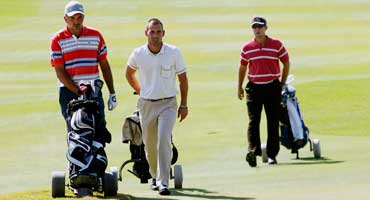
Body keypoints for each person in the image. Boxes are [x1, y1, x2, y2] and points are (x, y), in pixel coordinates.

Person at [125, 18, 188, 195]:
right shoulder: (138, 53)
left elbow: (183, 79)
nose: (155, 35)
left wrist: (183, 104)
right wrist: (140, 90)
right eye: (151, 32)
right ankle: (154, 175)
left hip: (168, 103)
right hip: (146, 104)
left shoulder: (174, 52)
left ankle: (163, 182)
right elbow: (128, 73)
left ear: (163, 33)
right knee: (150, 145)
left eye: (158, 32)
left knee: (163, 139)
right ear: (146, 33)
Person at [50, 1, 117, 144]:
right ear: (65, 19)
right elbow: (60, 71)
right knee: (74, 129)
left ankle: (97, 163)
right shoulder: (57, 39)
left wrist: (112, 92)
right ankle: (75, 165)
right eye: (72, 18)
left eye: (79, 17)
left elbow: (104, 65)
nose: (76, 22)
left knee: (99, 129)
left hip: (93, 89)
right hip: (68, 92)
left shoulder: (96, 35)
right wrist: (78, 91)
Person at [238, 16, 290, 167]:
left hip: (272, 87)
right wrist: (239, 86)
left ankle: (272, 155)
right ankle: (253, 152)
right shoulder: (247, 48)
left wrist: (282, 82)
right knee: (254, 121)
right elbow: (242, 67)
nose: (257, 30)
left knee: (272, 121)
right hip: (254, 88)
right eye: (254, 27)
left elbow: (286, 62)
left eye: (260, 27)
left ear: (266, 28)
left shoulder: (276, 45)